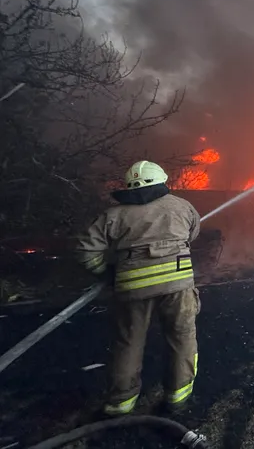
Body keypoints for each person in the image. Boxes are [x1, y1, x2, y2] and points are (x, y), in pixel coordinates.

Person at [75, 161, 202, 415]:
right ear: (162, 181)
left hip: (133, 288)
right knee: (182, 338)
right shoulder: (182, 206)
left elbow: (86, 251)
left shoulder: (113, 215)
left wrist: (107, 272)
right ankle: (178, 399)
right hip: (178, 286)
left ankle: (121, 402)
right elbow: (192, 233)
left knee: (129, 343)